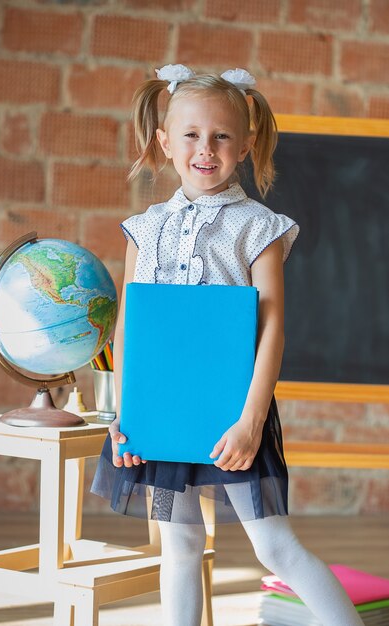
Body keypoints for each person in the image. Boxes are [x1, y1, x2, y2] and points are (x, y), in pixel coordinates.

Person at [92, 64, 363, 626]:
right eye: (191, 134)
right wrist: (125, 414)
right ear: (165, 143)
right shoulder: (144, 229)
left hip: (235, 414)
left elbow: (272, 330)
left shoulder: (259, 227)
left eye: (220, 136)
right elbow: (132, 329)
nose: (205, 148)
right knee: (180, 548)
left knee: (274, 546)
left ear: (245, 144)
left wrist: (251, 421)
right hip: (160, 415)